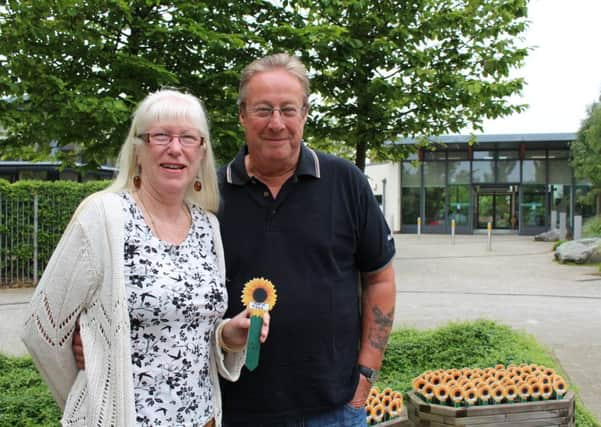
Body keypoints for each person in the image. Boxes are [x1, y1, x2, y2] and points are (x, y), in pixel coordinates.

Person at [22, 89, 268, 427]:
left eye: (188, 138)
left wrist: (228, 336)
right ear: (138, 148)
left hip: (204, 419)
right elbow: (43, 330)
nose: (175, 148)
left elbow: (191, 334)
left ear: (201, 154)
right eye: (160, 136)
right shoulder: (104, 216)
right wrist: (92, 399)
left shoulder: (207, 227)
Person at [217, 53, 396, 426]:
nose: (277, 123)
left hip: (333, 410)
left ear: (305, 114)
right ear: (242, 115)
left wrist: (365, 377)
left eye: (288, 109)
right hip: (237, 410)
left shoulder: (346, 182)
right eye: (263, 110)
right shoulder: (209, 194)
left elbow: (380, 278)